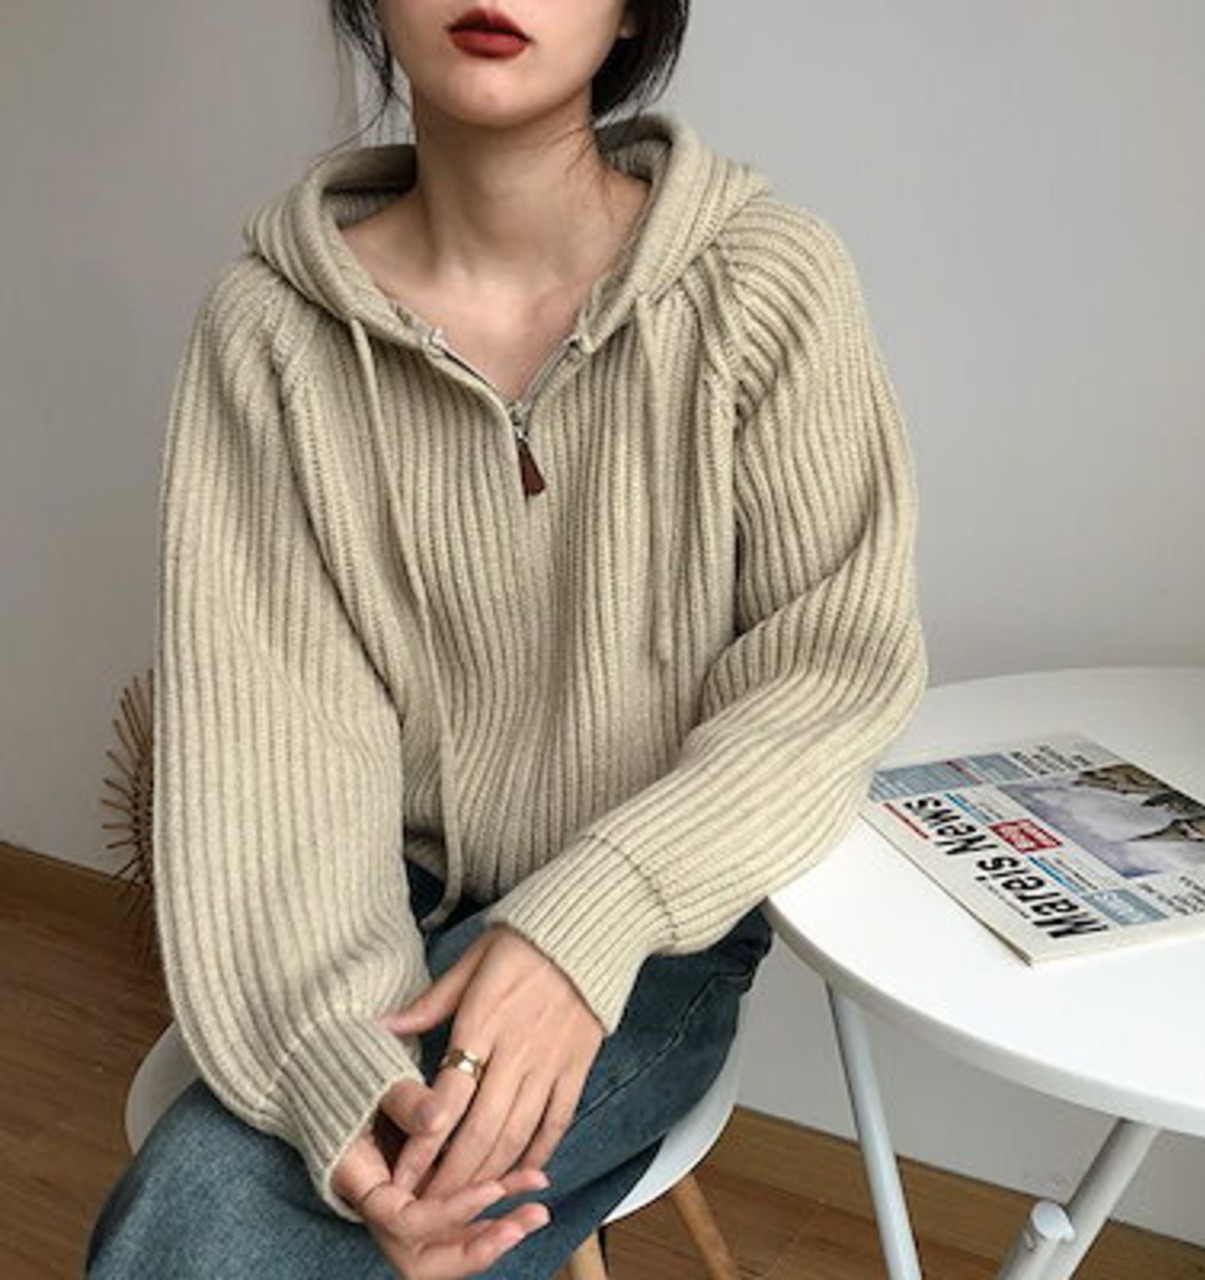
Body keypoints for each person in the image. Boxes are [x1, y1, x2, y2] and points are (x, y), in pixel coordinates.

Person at [85, 1, 927, 1276]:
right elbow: (282, 749)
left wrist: (583, 920)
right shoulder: (270, 334)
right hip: (368, 904)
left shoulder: (763, 283)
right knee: (230, 1212)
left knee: (214, 1234)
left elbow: (834, 667)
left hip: (658, 927)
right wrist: (334, 1060)